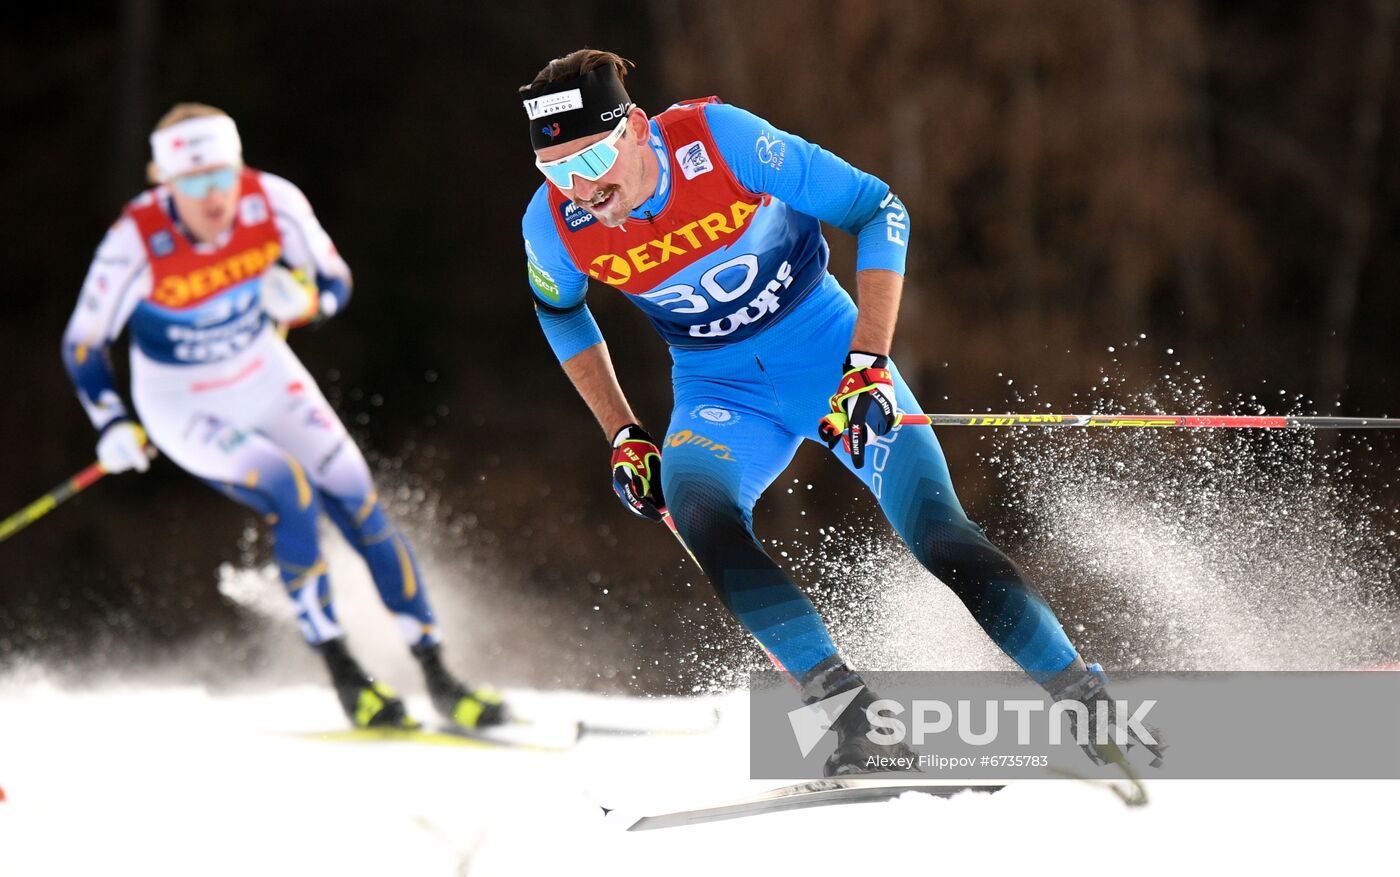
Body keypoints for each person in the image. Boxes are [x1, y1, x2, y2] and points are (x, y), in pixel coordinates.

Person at [518, 50, 1160, 773]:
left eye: (592, 158)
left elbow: (879, 208)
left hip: (826, 353)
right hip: (718, 393)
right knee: (698, 513)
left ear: (635, 129)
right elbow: (560, 312)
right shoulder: (554, 225)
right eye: (557, 171)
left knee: (938, 533)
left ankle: (1089, 704)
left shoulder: (719, 141)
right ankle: (857, 725)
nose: (582, 187)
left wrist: (867, 362)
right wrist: (624, 431)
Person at [61, 103, 504, 731]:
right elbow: (82, 342)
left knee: (358, 502)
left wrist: (307, 302)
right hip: (181, 403)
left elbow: (338, 280)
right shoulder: (135, 239)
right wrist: (109, 420)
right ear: (163, 182)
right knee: (290, 490)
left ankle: (441, 676)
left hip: (265, 373)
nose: (212, 197)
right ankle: (349, 678)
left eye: (222, 176)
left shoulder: (273, 202)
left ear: (239, 167)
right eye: (192, 184)